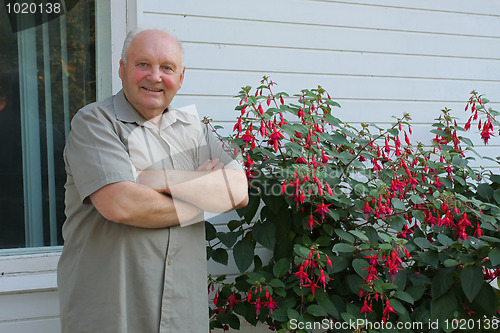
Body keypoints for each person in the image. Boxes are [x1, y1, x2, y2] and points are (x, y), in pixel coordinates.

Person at [57, 28, 249, 333]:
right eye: (143, 64)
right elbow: (122, 204)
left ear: (181, 77)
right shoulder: (94, 122)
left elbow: (238, 190)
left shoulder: (195, 130)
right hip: (113, 313)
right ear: (122, 70)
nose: (155, 76)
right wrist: (203, 198)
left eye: (167, 68)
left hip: (182, 314)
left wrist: (152, 178)